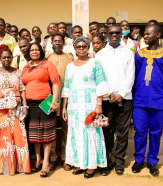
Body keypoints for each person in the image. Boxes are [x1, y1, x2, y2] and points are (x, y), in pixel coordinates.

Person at [132, 24, 163, 177]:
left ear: (158, 35)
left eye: (147, 34)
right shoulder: (139, 54)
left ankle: (152, 161)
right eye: (144, 34)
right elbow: (132, 77)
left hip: (159, 100)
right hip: (140, 99)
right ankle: (139, 159)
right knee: (139, 131)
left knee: (156, 132)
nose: (144, 36)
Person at [62, 36, 109, 179]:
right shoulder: (69, 66)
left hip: (90, 106)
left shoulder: (95, 63)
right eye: (78, 46)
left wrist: (99, 104)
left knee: (90, 134)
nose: (81, 48)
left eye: (84, 46)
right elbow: (67, 88)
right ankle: (80, 163)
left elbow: (101, 84)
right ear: (74, 49)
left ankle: (91, 165)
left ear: (88, 47)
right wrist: (64, 107)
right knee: (76, 134)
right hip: (74, 108)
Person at [95, 24, 135, 176]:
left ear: (121, 33)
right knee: (106, 131)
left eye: (117, 32)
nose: (113, 35)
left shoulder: (128, 53)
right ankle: (107, 161)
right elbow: (99, 77)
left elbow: (131, 76)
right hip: (106, 99)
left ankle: (119, 162)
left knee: (123, 132)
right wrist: (109, 92)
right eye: (111, 33)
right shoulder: (100, 55)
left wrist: (121, 94)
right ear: (106, 35)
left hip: (125, 99)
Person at [0, 44, 31, 175]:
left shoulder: (17, 71)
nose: (7, 59)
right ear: (0, 58)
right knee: (1, 137)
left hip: (16, 109)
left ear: (12, 57)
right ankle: (2, 167)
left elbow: (22, 89)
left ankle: (20, 167)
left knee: (18, 136)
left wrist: (25, 106)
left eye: (9, 57)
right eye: (4, 57)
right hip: (0, 110)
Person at [22, 42, 60, 177]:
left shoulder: (47, 64)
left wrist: (54, 101)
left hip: (46, 102)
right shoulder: (25, 68)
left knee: (47, 134)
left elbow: (56, 82)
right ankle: (38, 159)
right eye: (32, 50)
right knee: (34, 134)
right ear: (28, 52)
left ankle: (46, 163)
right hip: (31, 104)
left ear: (41, 51)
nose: (34, 52)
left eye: (37, 49)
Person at [47, 33, 73, 171]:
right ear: (51, 42)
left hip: (66, 97)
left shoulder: (69, 57)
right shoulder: (47, 58)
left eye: (60, 41)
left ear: (63, 42)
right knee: (50, 128)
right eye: (55, 41)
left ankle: (65, 157)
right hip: (49, 98)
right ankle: (52, 158)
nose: (57, 43)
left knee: (65, 128)